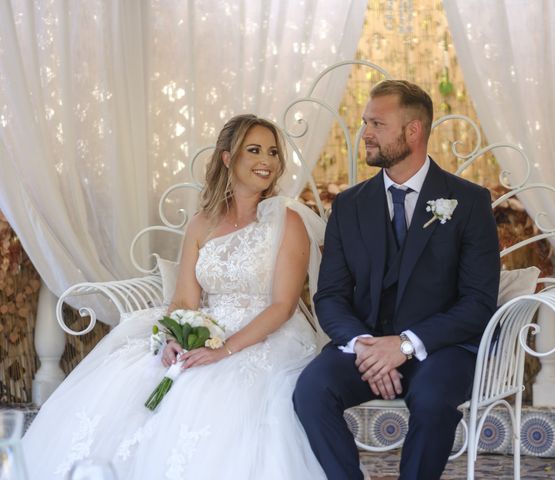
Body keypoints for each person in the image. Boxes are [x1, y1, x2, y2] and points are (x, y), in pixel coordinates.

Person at [23, 114, 327, 480]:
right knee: (136, 377)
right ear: (228, 158)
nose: (267, 160)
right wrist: (173, 336)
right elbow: (184, 300)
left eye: (273, 152)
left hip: (267, 335)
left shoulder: (287, 221)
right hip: (210, 328)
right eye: (254, 150)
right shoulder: (203, 223)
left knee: (212, 389)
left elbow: (284, 306)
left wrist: (223, 350)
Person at [293, 80, 501, 480]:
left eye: (377, 124)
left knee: (434, 398)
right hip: (366, 346)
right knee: (311, 390)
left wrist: (405, 345)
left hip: (441, 349)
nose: (365, 134)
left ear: (413, 131)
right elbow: (331, 295)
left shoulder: (469, 202)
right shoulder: (349, 205)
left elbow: (477, 303)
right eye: (365, 123)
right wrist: (366, 347)